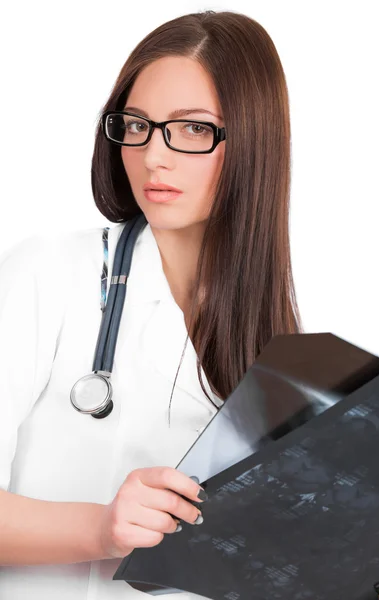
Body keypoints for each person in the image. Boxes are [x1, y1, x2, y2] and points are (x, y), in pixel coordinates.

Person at [0, 8, 302, 600]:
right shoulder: (48, 273)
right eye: (136, 124)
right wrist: (99, 529)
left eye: (192, 129)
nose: (153, 155)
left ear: (256, 143)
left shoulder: (277, 335)